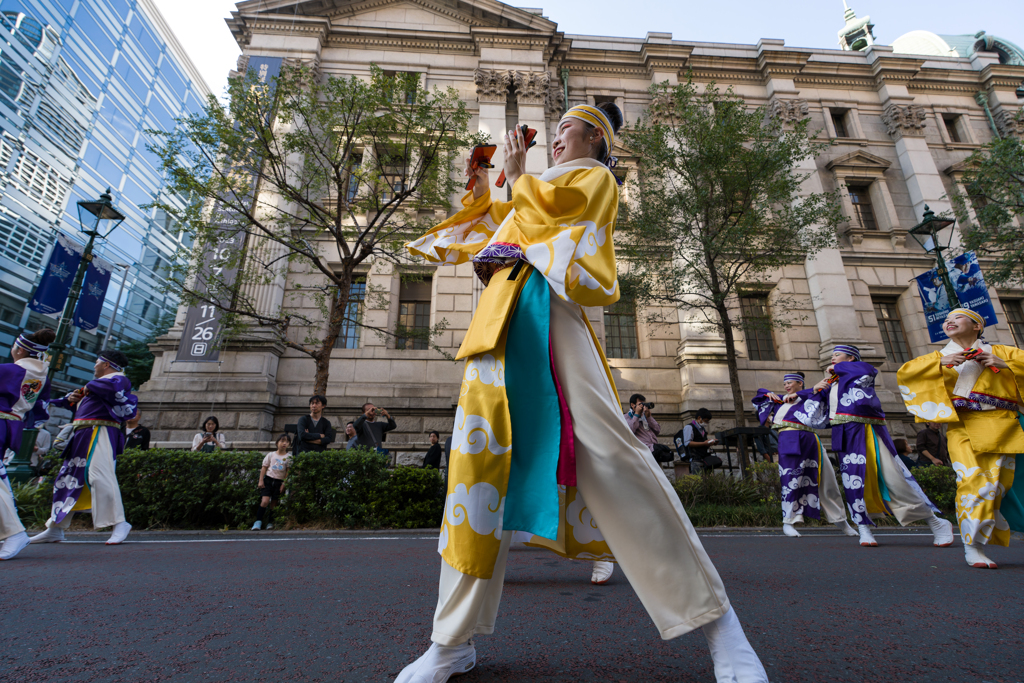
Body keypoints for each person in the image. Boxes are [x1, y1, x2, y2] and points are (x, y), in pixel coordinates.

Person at [400, 103, 767, 683]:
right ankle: (451, 641)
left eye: (566, 130)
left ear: (596, 139)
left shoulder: (594, 178)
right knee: (475, 474)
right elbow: (490, 222)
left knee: (614, 456)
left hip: (552, 314)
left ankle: (720, 625)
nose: (557, 139)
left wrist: (519, 181)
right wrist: (485, 180)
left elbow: (554, 220)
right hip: (498, 322)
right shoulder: (534, 183)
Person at [897, 308, 1024, 569]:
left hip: (1003, 426)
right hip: (963, 427)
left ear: (977, 325)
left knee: (999, 487)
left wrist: (1006, 365)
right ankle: (972, 545)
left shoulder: (1005, 353)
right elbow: (906, 374)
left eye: (957, 318)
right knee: (972, 481)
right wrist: (937, 365)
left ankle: (987, 537)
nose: (948, 322)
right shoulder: (936, 357)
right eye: (946, 320)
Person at [811, 344, 953, 549]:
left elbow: (868, 371)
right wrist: (816, 390)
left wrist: (836, 371)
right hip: (844, 435)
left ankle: (935, 522)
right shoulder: (834, 383)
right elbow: (816, 411)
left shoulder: (860, 371)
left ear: (851, 359)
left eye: (837, 355)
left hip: (868, 432)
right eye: (831, 356)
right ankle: (863, 527)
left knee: (893, 478)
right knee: (853, 482)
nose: (832, 358)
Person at [29, 350, 138, 546]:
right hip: (82, 433)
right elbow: (80, 401)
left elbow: (111, 391)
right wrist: (73, 398)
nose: (94, 366)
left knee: (100, 475)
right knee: (68, 479)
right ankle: (55, 528)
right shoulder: (97, 385)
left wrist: (87, 388)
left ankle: (119, 522)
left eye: (97, 362)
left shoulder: (118, 379)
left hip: (101, 431)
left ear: (106, 364)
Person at [752, 372, 856, 540]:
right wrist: (767, 393)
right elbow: (759, 395)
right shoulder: (780, 400)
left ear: (800, 383)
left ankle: (841, 520)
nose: (786, 386)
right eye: (785, 384)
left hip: (811, 439)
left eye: (790, 383)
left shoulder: (811, 396)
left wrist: (806, 391)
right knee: (790, 481)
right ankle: (788, 521)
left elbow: (827, 388)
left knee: (827, 480)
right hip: (789, 439)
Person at [0, 328, 54, 561]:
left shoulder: (10, 370)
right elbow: (42, 408)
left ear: (20, 349)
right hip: (11, 424)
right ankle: (11, 531)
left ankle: (14, 532)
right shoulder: (41, 377)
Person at [252, 434, 292, 530]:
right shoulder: (271, 455)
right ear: (277, 443)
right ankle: (258, 521)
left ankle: (270, 522)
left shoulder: (289, 457)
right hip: (268, 480)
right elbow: (264, 468)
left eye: (287, 442)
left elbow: (288, 472)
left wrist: (284, 483)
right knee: (265, 501)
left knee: (274, 503)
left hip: (279, 482)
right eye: (282, 441)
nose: (284, 443)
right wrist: (261, 480)